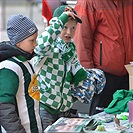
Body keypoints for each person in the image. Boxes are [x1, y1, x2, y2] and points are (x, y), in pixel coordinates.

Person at [33, 5, 106, 131]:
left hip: (64, 109)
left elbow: (73, 78)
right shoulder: (49, 47)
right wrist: (59, 21)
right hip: (45, 108)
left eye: (73, 28)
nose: (69, 32)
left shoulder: (70, 49)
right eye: (64, 27)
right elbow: (39, 47)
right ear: (56, 26)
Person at [74, 0, 133, 116]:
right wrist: (89, 76)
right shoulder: (88, 2)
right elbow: (82, 41)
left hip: (129, 74)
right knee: (100, 120)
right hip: (103, 76)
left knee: (127, 120)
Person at [0, 14, 42, 133]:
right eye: (31, 40)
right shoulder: (9, 67)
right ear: (18, 42)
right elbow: (4, 107)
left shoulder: (25, 61)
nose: (35, 44)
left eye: (36, 39)